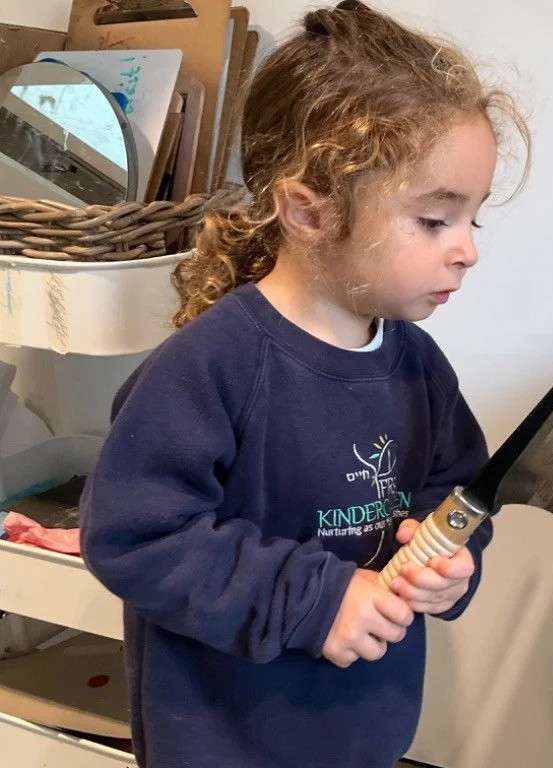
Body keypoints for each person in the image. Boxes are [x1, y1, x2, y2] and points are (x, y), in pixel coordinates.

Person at [78, 3, 530, 767]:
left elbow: (457, 492)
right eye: (434, 221)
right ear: (308, 212)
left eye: (473, 221)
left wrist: (452, 558)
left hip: (363, 728)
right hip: (225, 738)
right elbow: (133, 535)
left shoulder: (417, 365)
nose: (466, 252)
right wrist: (317, 599)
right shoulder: (210, 366)